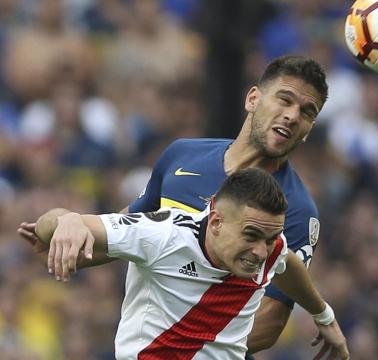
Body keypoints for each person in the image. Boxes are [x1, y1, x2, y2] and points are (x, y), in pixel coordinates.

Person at [19, 55, 328, 355]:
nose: (292, 115)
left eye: (307, 111)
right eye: (284, 100)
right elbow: (127, 228)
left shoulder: (297, 210)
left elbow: (271, 319)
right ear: (252, 99)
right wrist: (70, 246)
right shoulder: (182, 156)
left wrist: (188, 345)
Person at [32, 168, 349, 359]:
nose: (260, 251)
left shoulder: (270, 246)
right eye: (251, 235)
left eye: (269, 239)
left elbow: (287, 263)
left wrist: (323, 314)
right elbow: (50, 224)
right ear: (216, 222)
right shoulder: (162, 236)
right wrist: (69, 221)